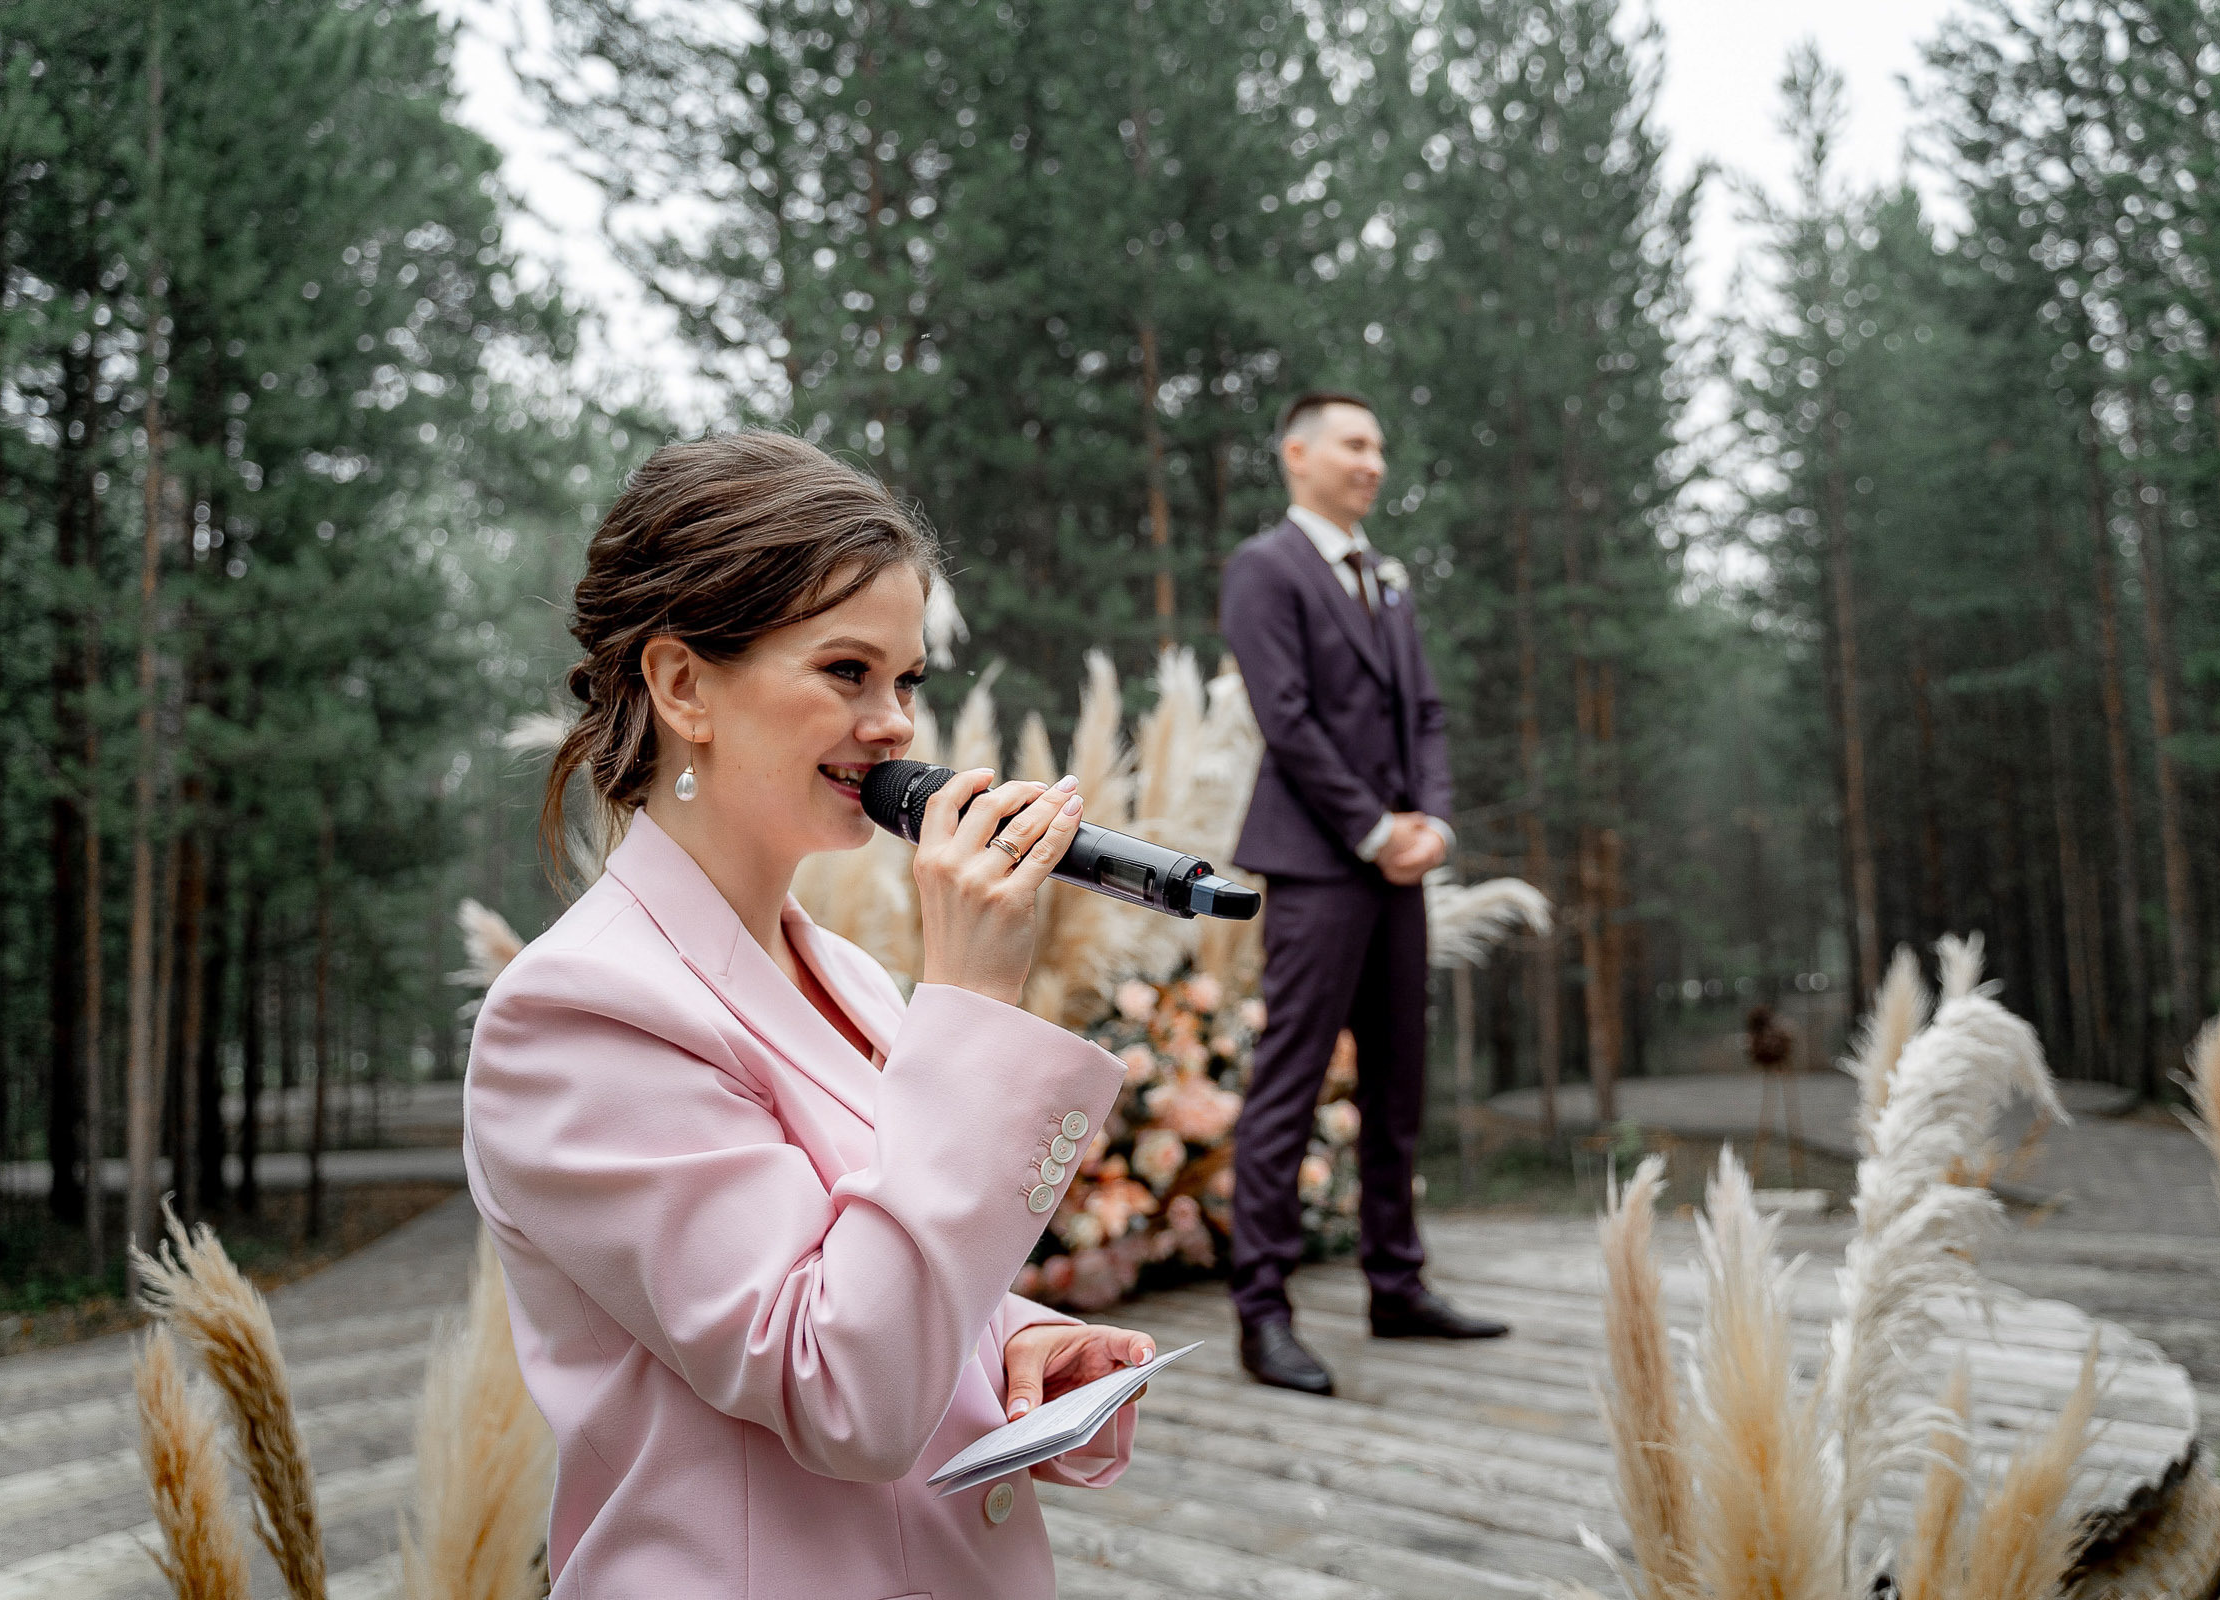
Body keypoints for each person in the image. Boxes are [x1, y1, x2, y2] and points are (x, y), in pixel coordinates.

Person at [464, 432, 1154, 1597]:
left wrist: (1012, 1344)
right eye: (846, 671)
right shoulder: (576, 1015)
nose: (895, 724)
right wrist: (976, 1000)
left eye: (908, 681)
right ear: (684, 686)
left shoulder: (850, 974)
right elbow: (844, 1385)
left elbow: (864, 1262)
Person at [1219, 392, 1509, 1397]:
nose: (1372, 460)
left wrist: (1432, 820)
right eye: (1354, 442)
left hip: (1400, 867)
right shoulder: (1265, 569)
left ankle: (1397, 1283)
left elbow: (1426, 711)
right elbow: (1286, 720)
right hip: (1316, 862)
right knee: (1289, 1085)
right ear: (1296, 453)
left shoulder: (1387, 575)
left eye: (1380, 445)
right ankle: (1262, 1312)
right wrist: (1376, 828)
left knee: (1399, 1082)